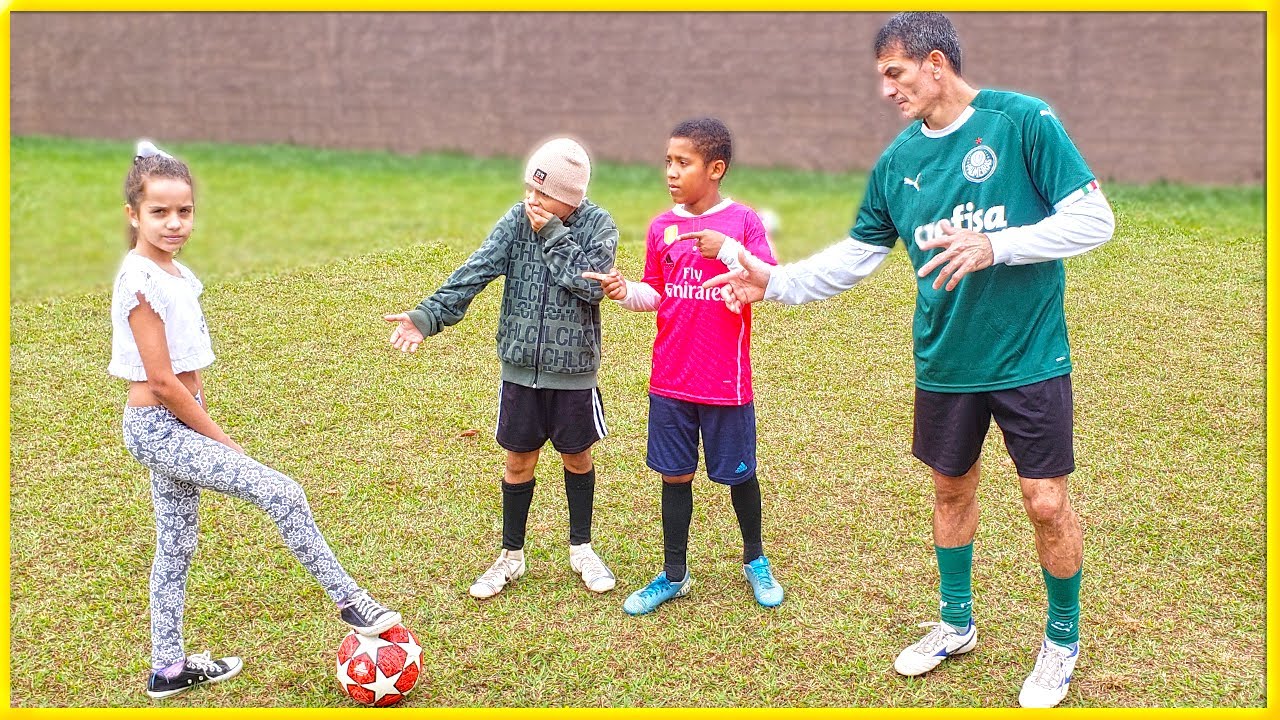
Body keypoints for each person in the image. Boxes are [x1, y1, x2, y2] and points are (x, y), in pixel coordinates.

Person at [701, 13, 1115, 708]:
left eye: (894, 74)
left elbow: (1094, 220)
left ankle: (1062, 641)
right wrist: (776, 281)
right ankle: (956, 624)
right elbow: (856, 258)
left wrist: (997, 245)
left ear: (934, 64)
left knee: (1045, 502)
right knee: (950, 492)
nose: (887, 90)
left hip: (1030, 360)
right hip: (945, 365)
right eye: (882, 77)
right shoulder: (897, 164)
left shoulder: (1021, 122)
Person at [111, 141, 401, 701]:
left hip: (170, 426)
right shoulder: (139, 281)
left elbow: (179, 381)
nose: (174, 223)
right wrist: (223, 442)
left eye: (185, 211)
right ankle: (352, 601)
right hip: (157, 428)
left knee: (176, 543)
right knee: (283, 493)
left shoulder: (169, 270)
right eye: (159, 212)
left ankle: (167, 669)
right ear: (133, 215)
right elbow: (164, 382)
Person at [384, 137, 620, 599]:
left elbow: (590, 287)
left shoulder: (598, 226)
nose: (530, 200)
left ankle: (582, 548)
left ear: (569, 197)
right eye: (528, 190)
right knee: (517, 461)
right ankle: (511, 556)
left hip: (572, 374)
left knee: (577, 457)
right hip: (518, 371)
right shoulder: (516, 221)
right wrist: (427, 316)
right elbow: (476, 270)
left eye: (541, 193)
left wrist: (553, 233)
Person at [584, 117, 784, 616]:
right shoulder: (661, 227)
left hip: (725, 383)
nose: (671, 172)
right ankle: (674, 573)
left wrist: (729, 251)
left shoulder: (742, 222)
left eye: (683, 162)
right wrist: (625, 291)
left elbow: (771, 275)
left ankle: (755, 560)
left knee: (740, 476)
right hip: (671, 381)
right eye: (668, 161)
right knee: (674, 477)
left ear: (715, 168)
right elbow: (657, 291)